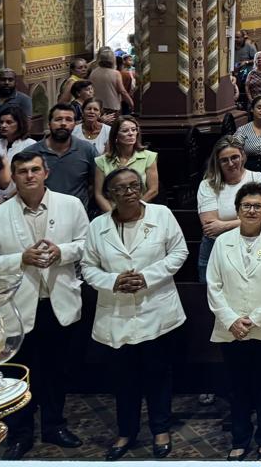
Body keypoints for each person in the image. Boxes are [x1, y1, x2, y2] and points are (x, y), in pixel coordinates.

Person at [0, 150, 89, 458]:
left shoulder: (70, 205)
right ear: (13, 178)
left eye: (34, 170)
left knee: (57, 369)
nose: (29, 175)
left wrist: (63, 252)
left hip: (59, 300)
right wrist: (20, 258)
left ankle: (55, 424)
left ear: (46, 173)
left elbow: (87, 244)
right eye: (22, 171)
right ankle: (20, 432)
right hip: (17, 307)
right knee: (18, 371)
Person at [81, 167, 187, 460]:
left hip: (157, 308)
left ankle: (160, 429)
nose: (129, 191)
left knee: (158, 373)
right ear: (110, 194)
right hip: (116, 312)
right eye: (121, 188)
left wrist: (147, 277)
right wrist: (113, 281)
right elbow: (88, 267)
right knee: (123, 378)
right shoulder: (97, 226)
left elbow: (178, 252)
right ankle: (126, 430)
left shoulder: (162, 215)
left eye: (133, 185)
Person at [204, 182, 261, 461]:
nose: (252, 210)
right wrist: (232, 320)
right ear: (238, 209)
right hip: (232, 330)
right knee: (237, 387)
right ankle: (240, 438)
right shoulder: (222, 242)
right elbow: (213, 285)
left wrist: (253, 319)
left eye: (258, 206)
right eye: (246, 205)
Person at [196, 137, 261, 281]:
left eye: (234, 157)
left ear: (242, 156)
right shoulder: (207, 184)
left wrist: (223, 225)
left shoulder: (256, 178)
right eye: (224, 160)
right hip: (215, 247)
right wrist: (245, 221)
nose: (230, 163)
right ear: (218, 162)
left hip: (251, 244)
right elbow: (210, 227)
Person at [34, 103, 98, 210]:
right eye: (58, 119)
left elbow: (96, 183)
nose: (63, 123)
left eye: (68, 120)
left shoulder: (87, 150)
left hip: (77, 215)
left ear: (74, 124)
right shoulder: (32, 152)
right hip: (42, 212)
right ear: (49, 123)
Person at [92, 116, 159, 213]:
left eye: (134, 130)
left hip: (140, 211)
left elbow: (153, 190)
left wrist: (133, 209)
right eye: (125, 131)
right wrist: (113, 214)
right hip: (112, 211)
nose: (131, 134)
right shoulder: (102, 161)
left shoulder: (149, 157)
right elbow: (99, 194)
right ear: (116, 135)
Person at [0, 67, 32, 141]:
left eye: (10, 80)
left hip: (14, 144)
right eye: (3, 80)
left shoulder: (24, 100)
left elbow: (27, 125)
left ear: (16, 82)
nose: (7, 83)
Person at [90, 46, 133, 115]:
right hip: (112, 105)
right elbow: (123, 91)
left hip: (97, 105)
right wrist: (131, 103)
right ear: (113, 60)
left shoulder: (93, 72)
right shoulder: (115, 73)